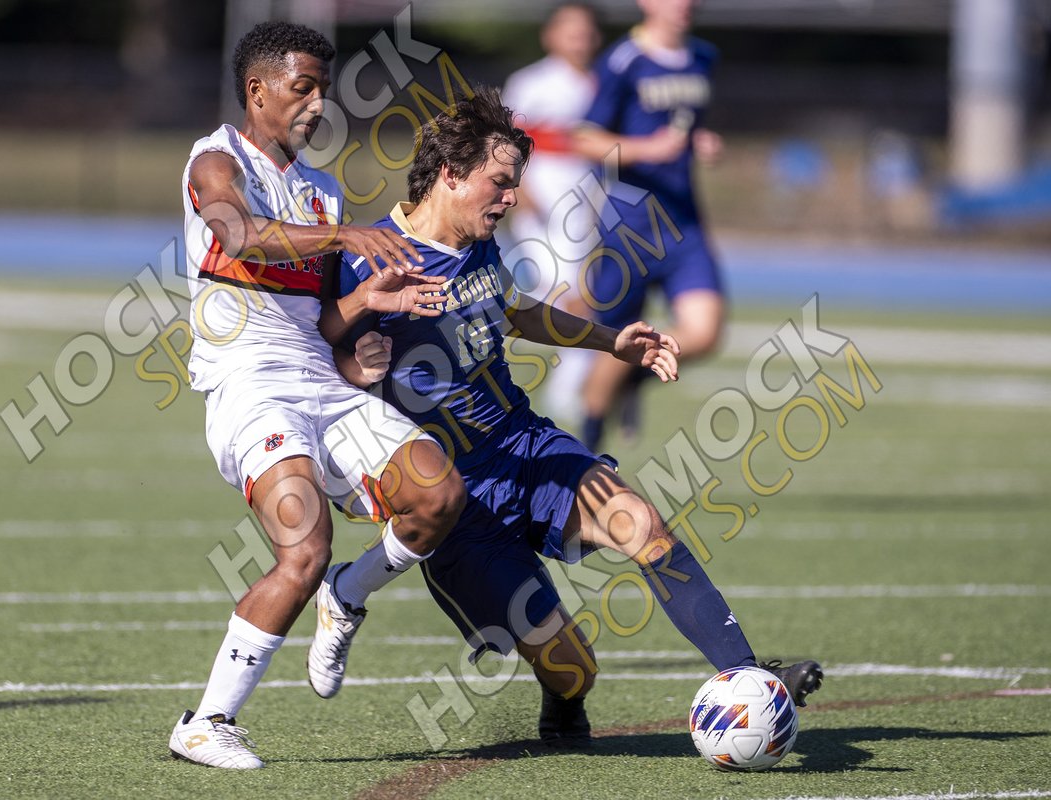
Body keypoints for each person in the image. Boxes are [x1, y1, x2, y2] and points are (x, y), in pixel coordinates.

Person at [325, 87, 821, 747]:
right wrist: (356, 362)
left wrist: (609, 340)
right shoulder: (367, 258)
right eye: (499, 184)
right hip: (451, 501)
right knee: (572, 670)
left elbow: (515, 310)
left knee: (644, 527)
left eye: (515, 185)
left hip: (525, 448)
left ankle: (750, 676)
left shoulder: (479, 244)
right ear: (450, 175)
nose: (511, 200)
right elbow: (315, 364)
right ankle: (562, 699)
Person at [168, 22, 466, 770]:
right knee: (301, 548)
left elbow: (322, 324)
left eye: (321, 89)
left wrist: (371, 308)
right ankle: (205, 722)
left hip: (317, 385)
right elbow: (238, 237)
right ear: (256, 90)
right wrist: (347, 244)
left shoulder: (322, 191)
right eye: (302, 87)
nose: (315, 103)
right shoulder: (214, 160)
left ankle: (350, 593)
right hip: (249, 389)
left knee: (437, 496)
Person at [572, 0, 726, 450]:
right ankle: (587, 444)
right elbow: (584, 139)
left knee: (707, 332)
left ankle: (637, 375)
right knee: (616, 341)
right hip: (629, 227)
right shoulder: (623, 61)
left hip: (684, 221)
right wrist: (645, 149)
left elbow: (684, 127)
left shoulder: (703, 57)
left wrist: (700, 142)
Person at [500, 2, 602, 420]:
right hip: (542, 205)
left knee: (582, 291)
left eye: (586, 31)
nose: (579, 38)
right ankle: (569, 387)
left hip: (587, 206)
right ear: (551, 35)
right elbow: (506, 138)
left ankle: (578, 380)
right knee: (563, 291)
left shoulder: (602, 85)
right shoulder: (531, 82)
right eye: (570, 30)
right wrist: (517, 186)